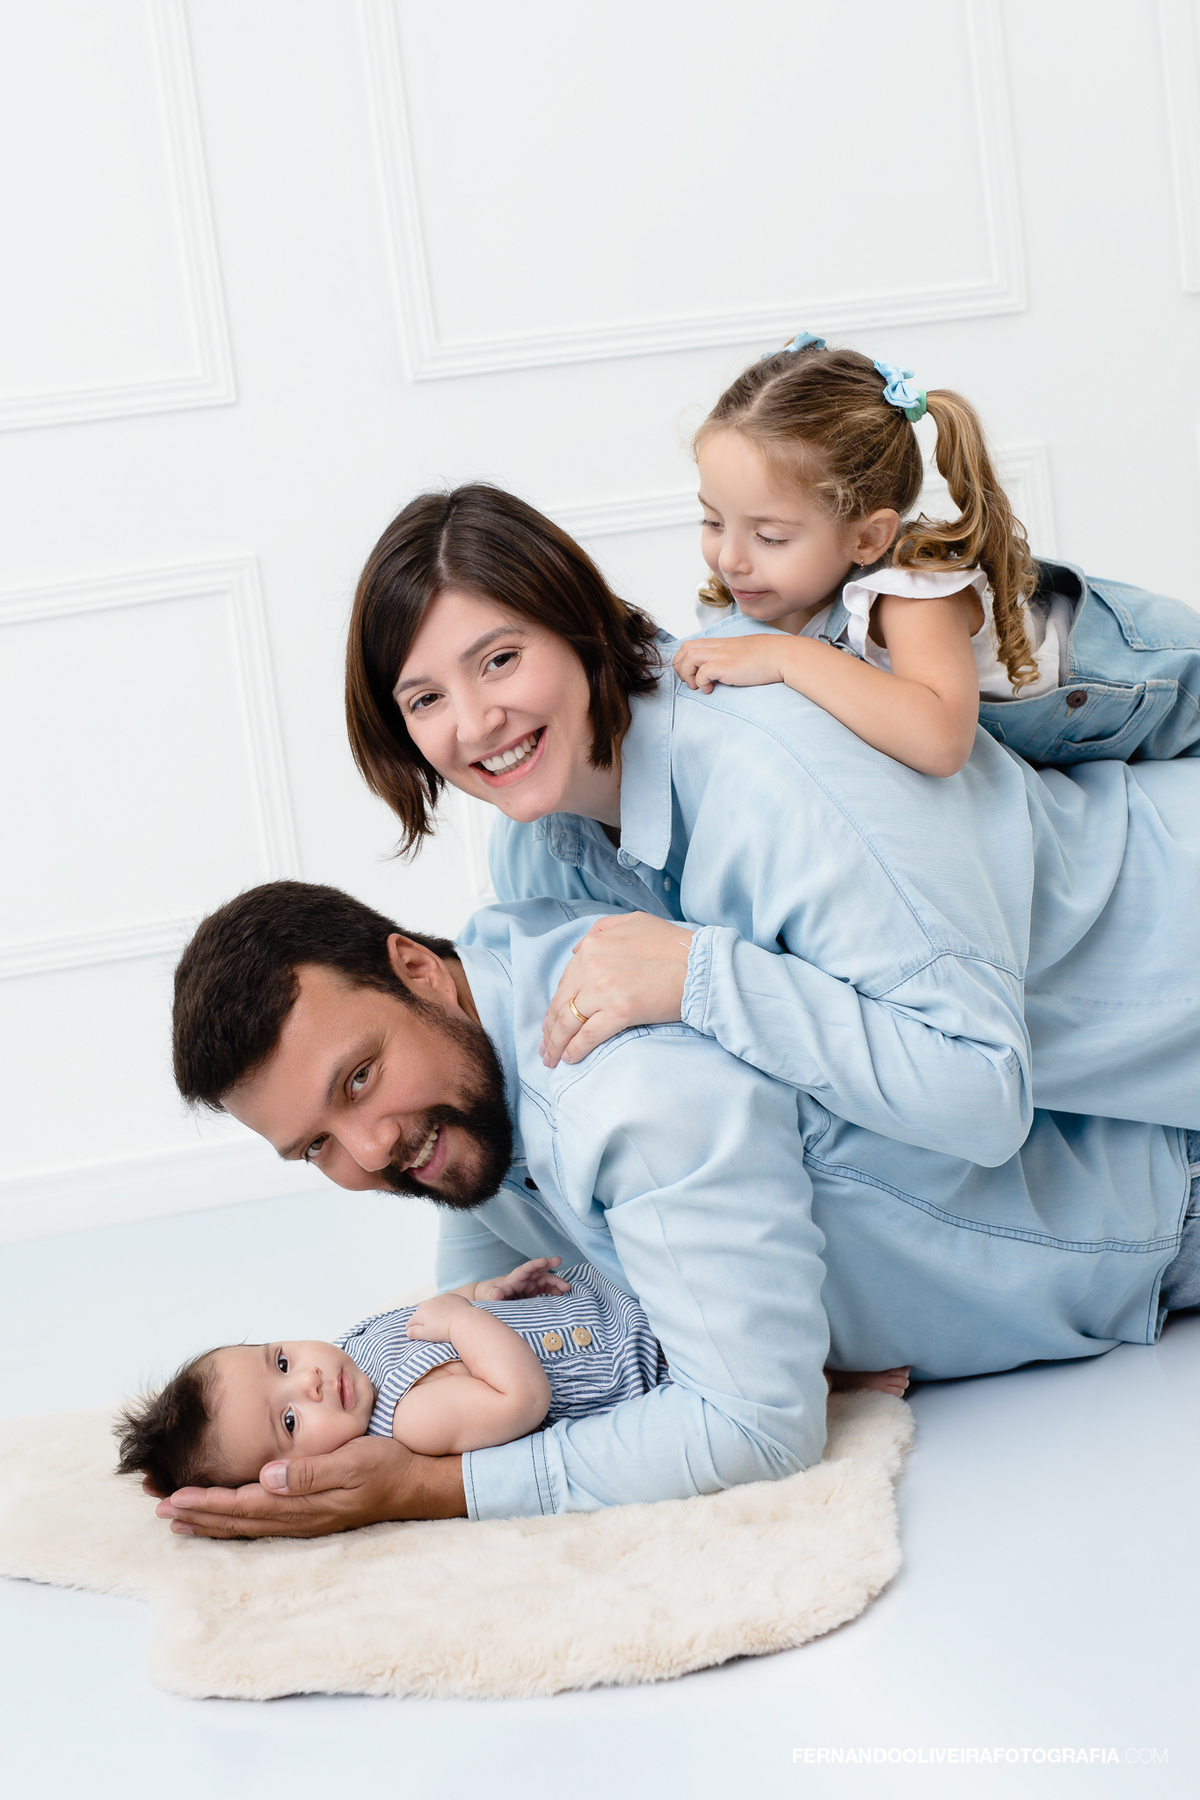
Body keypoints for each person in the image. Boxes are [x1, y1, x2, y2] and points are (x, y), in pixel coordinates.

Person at [153, 880, 1197, 1540]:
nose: (372, 1148)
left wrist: (423, 1490)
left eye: (358, 1079)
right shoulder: (477, 1052)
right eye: (317, 1146)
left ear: (418, 973)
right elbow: (476, 1295)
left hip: (1162, 1222)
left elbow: (757, 1427)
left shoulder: (625, 1098)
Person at [344, 483, 1200, 1160]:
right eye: (426, 700)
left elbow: (983, 1092)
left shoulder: (771, 771)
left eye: (499, 660)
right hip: (1131, 1103)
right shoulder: (540, 849)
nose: (475, 724)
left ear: (578, 628)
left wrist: (703, 978)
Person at [673, 332, 1200, 776]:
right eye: (713, 522)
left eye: (770, 537)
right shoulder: (757, 591)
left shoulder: (909, 594)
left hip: (1170, 679)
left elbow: (941, 742)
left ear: (867, 539)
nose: (730, 559)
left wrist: (784, 658)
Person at [118, 1258, 908, 1494]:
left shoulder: (352, 1345)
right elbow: (520, 1397)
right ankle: (839, 1379)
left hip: (602, 1297)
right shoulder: (412, 1418)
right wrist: (463, 1322)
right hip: (639, 1359)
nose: (311, 1384)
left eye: (281, 1363)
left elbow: (431, 1311)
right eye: (289, 1420)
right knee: (746, 1344)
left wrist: (484, 1294)